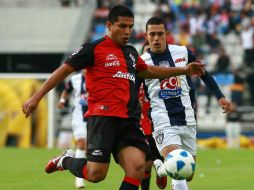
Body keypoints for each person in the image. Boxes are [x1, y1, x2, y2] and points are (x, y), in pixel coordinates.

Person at [22, 5, 205, 190]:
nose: (127, 32)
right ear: (109, 25)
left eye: (130, 27)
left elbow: (149, 71)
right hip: (103, 119)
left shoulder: (131, 53)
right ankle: (65, 161)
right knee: (96, 174)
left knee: (137, 168)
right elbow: (64, 70)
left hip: (129, 121)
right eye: (122, 26)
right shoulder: (93, 49)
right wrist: (36, 97)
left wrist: (183, 70)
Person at [141, 17, 233, 190]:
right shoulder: (142, 62)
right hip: (162, 119)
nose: (155, 38)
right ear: (146, 35)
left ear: (167, 34)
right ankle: (168, 169)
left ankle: (160, 168)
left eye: (160, 34)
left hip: (187, 118)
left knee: (188, 173)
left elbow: (202, 72)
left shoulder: (182, 52)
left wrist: (220, 96)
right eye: (152, 34)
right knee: (178, 163)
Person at [57, 70, 88, 188]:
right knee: (81, 144)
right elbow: (66, 90)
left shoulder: (98, 76)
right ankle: (79, 179)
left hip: (94, 116)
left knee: (90, 148)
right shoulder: (75, 78)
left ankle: (68, 156)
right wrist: (62, 100)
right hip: (78, 116)